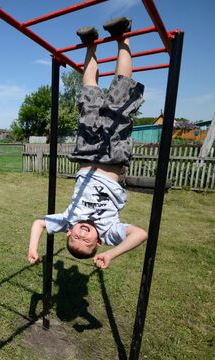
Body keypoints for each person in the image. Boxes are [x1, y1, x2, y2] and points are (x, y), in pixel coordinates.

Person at [27, 17, 148, 269]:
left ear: (68, 233)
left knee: (89, 100)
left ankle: (90, 45)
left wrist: (33, 249)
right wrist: (112, 255)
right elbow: (140, 234)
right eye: (87, 241)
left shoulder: (68, 220)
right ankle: (123, 37)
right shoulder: (111, 230)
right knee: (119, 98)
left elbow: (38, 224)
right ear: (99, 242)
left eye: (76, 238)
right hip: (113, 156)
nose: (82, 235)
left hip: (86, 154)